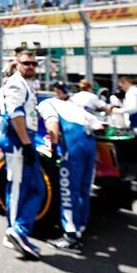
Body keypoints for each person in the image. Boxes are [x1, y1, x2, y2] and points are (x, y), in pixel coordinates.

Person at [40, 82, 104, 253]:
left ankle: (70, 237)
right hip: (90, 143)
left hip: (73, 145)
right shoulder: (72, 105)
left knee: (68, 190)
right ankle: (80, 226)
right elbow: (99, 125)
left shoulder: (45, 104)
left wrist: (52, 151)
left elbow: (52, 125)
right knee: (85, 188)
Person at [0, 49, 44, 260]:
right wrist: (26, 144)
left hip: (25, 140)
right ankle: (16, 231)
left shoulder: (27, 84)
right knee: (17, 188)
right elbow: (15, 114)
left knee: (36, 188)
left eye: (34, 64)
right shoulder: (16, 83)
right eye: (26, 63)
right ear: (17, 64)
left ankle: (18, 230)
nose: (31, 67)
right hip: (18, 141)